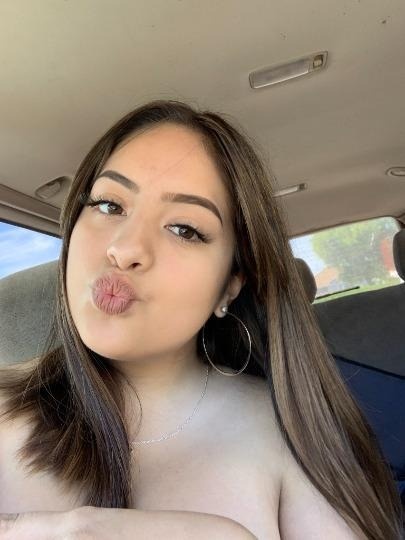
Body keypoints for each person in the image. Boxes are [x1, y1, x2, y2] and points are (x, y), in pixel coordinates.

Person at [0, 100, 402, 539]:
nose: (125, 248)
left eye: (184, 229)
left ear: (229, 286)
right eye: (109, 205)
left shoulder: (297, 437)